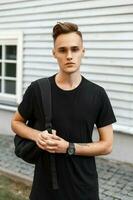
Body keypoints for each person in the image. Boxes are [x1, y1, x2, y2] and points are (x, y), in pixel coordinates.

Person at [11, 22, 116, 200]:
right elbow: (16, 123)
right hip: (45, 187)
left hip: (83, 187)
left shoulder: (97, 94)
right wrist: (37, 135)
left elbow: (107, 145)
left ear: (83, 51)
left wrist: (69, 147)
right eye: (62, 50)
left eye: (75, 49)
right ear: (54, 53)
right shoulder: (38, 89)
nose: (69, 56)